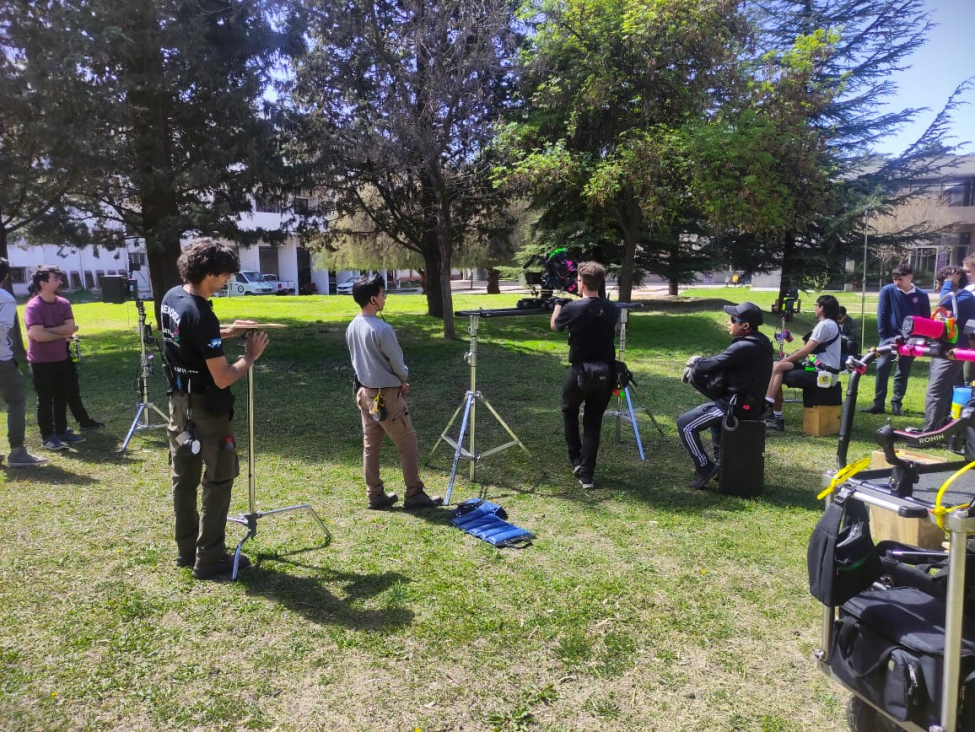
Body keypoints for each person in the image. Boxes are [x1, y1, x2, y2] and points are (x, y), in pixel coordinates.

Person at [160, 238, 269, 580]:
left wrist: (229, 331)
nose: (226, 282)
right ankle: (210, 559)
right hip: (209, 409)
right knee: (219, 479)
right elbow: (222, 377)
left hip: (179, 406)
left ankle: (186, 550)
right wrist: (249, 356)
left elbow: (194, 336)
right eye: (223, 276)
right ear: (209, 273)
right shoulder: (200, 311)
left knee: (184, 479)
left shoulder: (172, 298)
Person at [346, 274, 442, 510]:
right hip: (386, 396)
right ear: (373, 299)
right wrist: (402, 379)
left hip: (364, 393)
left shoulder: (353, 325)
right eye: (382, 293)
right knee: (407, 444)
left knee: (371, 446)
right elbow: (398, 364)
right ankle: (414, 493)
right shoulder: (383, 329)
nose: (385, 297)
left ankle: (375, 494)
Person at [677, 302, 773, 489]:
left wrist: (696, 361)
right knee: (716, 428)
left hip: (732, 406)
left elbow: (712, 364)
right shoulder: (760, 343)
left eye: (732, 319)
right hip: (747, 405)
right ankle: (726, 471)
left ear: (745, 326)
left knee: (685, 425)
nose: (728, 322)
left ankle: (705, 467)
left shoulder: (744, 347)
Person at [550, 261, 620, 489]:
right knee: (593, 422)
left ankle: (576, 460)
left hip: (580, 372)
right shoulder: (613, 308)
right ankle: (587, 473)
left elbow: (555, 326)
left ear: (580, 282)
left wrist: (558, 305)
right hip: (606, 373)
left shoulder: (573, 308)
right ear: (600, 283)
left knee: (569, 411)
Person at [23, 266, 88, 450]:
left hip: (61, 359)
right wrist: (61, 334)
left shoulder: (63, 303)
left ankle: (61, 431)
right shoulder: (33, 306)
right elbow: (40, 336)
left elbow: (70, 328)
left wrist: (45, 331)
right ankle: (47, 437)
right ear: (43, 283)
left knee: (61, 397)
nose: (60, 282)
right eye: (55, 279)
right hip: (40, 362)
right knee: (45, 400)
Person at [764, 294, 842, 432]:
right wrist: (790, 357)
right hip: (817, 369)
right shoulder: (831, 324)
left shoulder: (824, 325)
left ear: (822, 308)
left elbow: (806, 351)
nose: (814, 308)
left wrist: (786, 359)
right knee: (777, 367)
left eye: (815, 306)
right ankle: (772, 412)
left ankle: (771, 412)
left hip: (823, 375)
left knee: (778, 368)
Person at [862, 265, 930, 416]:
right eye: (894, 279)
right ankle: (878, 403)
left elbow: (926, 320)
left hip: (911, 340)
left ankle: (896, 403)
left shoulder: (922, 295)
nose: (897, 282)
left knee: (903, 372)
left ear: (910, 277)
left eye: (900, 279)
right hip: (889, 338)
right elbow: (882, 314)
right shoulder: (888, 290)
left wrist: (921, 339)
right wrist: (884, 338)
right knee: (882, 368)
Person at [0, 259, 48, 467]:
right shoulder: (5, 299)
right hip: (1, 359)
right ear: (6, 276)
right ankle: (17, 452)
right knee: (16, 401)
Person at [924, 265, 975, 431]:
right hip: (942, 346)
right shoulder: (957, 296)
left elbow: (943, 302)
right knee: (942, 391)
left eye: (941, 282)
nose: (939, 287)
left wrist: (948, 282)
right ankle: (942, 428)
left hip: (953, 350)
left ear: (955, 281)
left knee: (935, 391)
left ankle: (930, 433)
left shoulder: (964, 298)